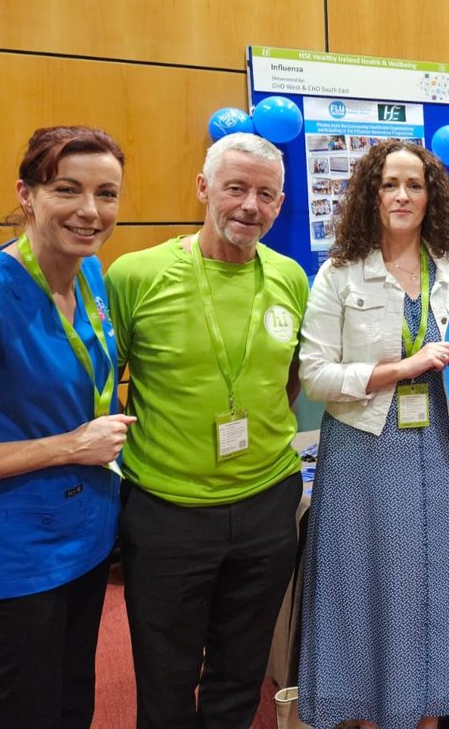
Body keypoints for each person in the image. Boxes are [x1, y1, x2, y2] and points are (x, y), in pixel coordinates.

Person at [0, 126, 133, 727]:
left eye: (107, 194)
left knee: (72, 705)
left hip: (84, 537)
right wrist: (69, 446)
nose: (90, 211)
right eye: (68, 189)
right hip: (6, 555)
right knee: (25, 714)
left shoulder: (89, 276)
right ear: (27, 194)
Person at [105, 133, 308, 728]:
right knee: (164, 672)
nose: (250, 206)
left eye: (265, 194)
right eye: (236, 188)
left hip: (267, 504)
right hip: (168, 510)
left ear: (280, 203)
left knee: (241, 669)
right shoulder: (135, 276)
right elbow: (99, 381)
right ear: (203, 189)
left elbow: (290, 377)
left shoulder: (291, 278)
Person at [296, 141, 449, 729]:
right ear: (371, 194)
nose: (402, 196)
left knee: (440, 587)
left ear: (432, 196)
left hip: (445, 450)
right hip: (365, 451)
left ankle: (430, 713)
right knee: (370, 590)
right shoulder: (339, 273)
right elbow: (314, 376)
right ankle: (371, 714)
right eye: (389, 184)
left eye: (415, 184)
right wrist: (402, 369)